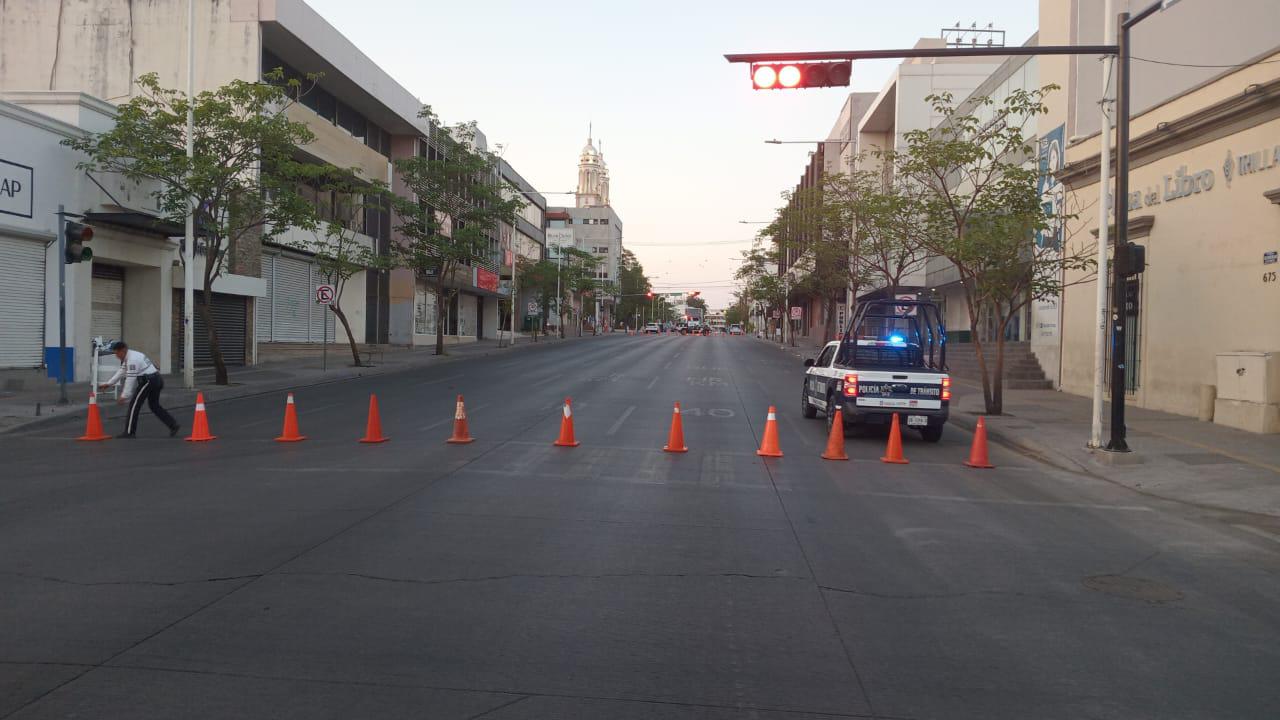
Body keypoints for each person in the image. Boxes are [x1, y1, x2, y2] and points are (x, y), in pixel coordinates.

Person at [98, 341, 180, 438]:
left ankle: (129, 432)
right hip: (156, 379)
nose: (116, 356)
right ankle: (173, 425)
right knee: (154, 405)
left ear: (123, 350)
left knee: (134, 405)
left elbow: (130, 379)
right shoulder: (130, 355)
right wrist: (109, 383)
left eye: (117, 353)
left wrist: (124, 395)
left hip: (148, 381)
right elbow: (122, 370)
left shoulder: (133, 359)